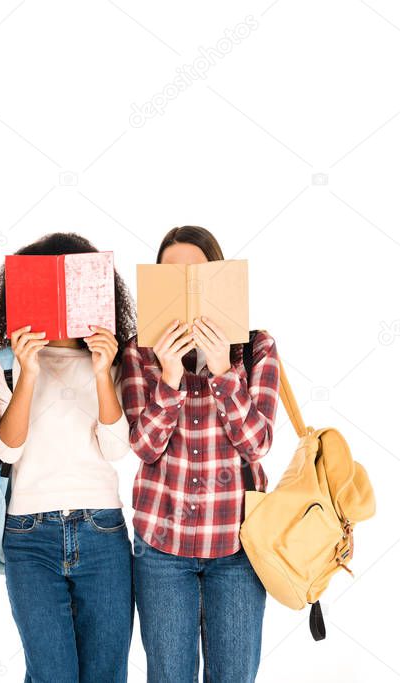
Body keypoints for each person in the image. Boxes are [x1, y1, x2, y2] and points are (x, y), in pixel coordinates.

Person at [121, 226, 279, 682]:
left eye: (197, 275)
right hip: (162, 549)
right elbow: (144, 447)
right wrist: (169, 378)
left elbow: (257, 443)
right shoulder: (140, 350)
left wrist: (224, 370)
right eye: (172, 277)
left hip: (237, 548)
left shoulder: (256, 346)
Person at [0, 233, 136, 683]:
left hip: (102, 531)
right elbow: (7, 448)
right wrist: (29, 374)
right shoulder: (7, 362)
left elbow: (116, 448)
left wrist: (102, 373)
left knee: (105, 673)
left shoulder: (113, 361)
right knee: (52, 674)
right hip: (29, 536)